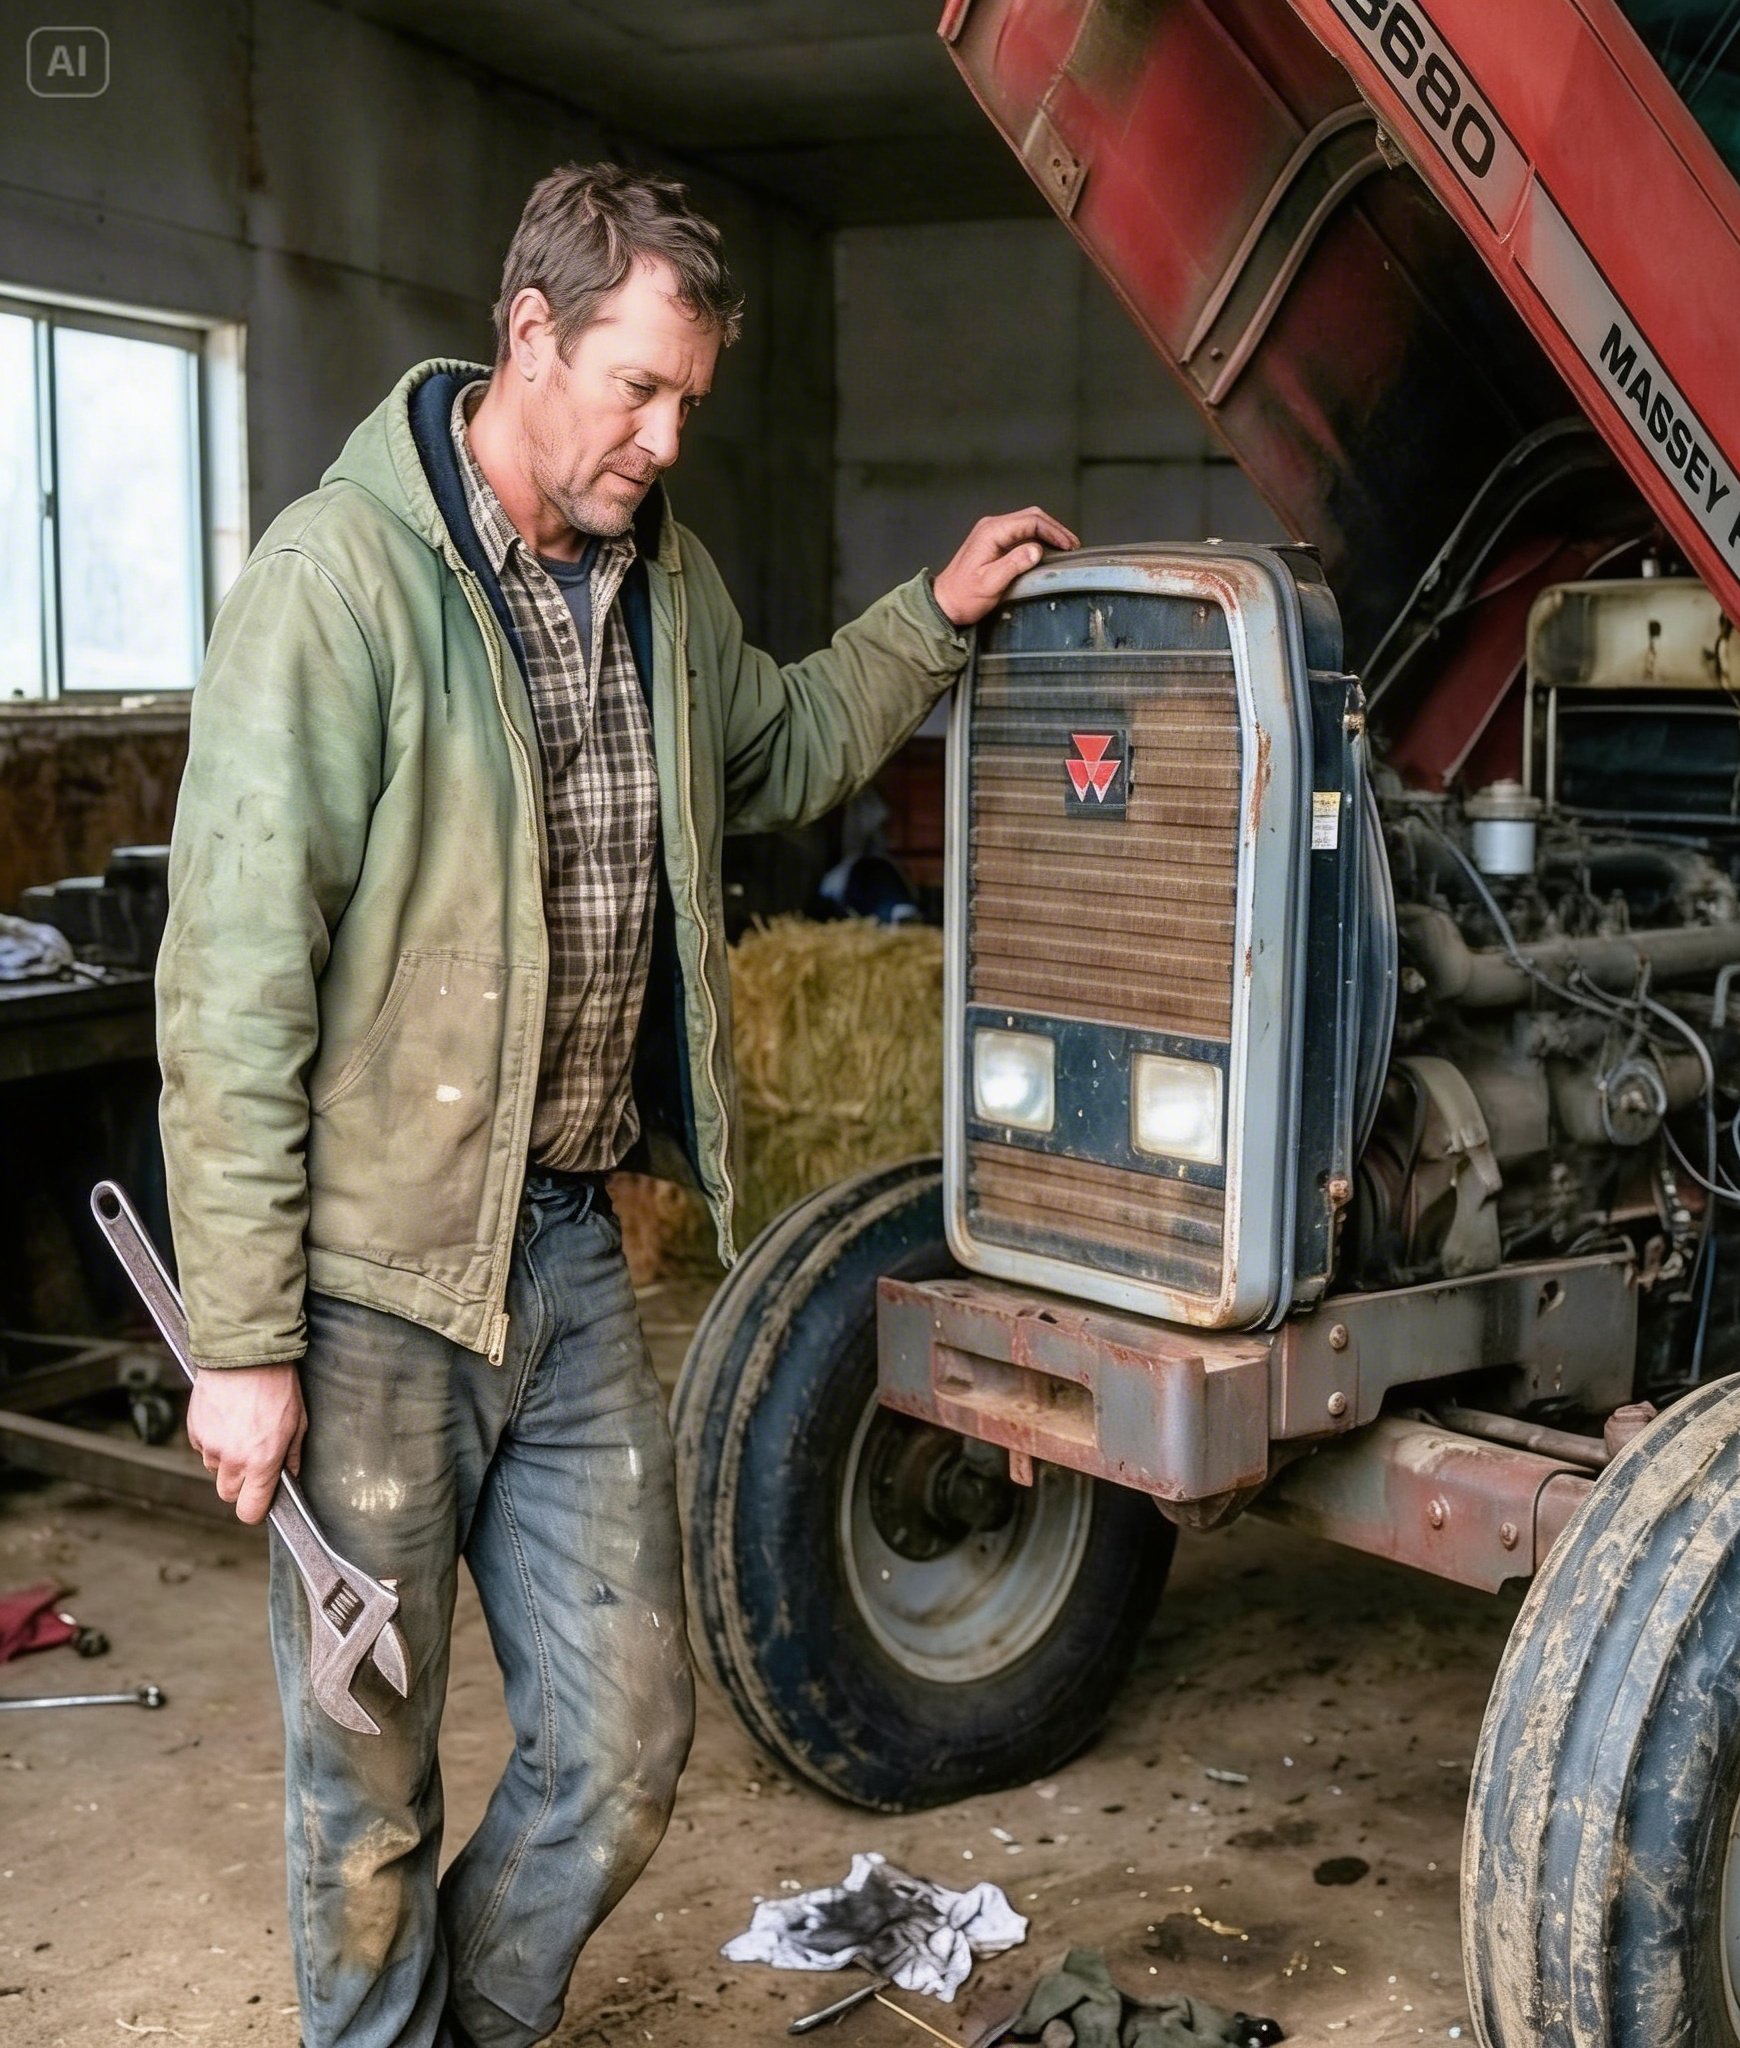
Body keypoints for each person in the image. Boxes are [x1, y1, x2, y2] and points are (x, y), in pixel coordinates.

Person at [154, 160, 1076, 2048]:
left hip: (570, 1255)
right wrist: (242, 1340)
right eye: (637, 390)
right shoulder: (340, 587)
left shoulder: (662, 584)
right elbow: (232, 979)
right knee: (366, 1788)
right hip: (376, 1282)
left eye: (689, 405)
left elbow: (779, 744)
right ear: (528, 337)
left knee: (632, 1738)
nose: (665, 441)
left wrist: (934, 616)